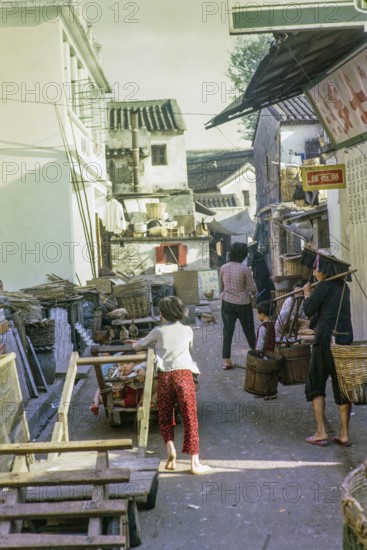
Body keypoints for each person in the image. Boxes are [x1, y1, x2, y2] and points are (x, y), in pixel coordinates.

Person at [128, 296, 210, 475]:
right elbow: (189, 352)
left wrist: (134, 343)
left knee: (165, 416)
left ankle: (170, 450)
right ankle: (194, 463)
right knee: (190, 418)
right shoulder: (188, 330)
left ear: (162, 314)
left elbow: (138, 346)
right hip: (184, 375)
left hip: (165, 377)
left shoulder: (158, 331)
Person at [302, 256, 353, 447]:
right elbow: (327, 312)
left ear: (324, 270)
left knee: (316, 383)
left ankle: (321, 432)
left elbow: (309, 309)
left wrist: (307, 293)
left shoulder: (323, 286)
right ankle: (344, 434)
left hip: (324, 342)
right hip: (343, 342)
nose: (315, 273)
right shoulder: (343, 287)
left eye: (316, 269)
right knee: (342, 388)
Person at [219, 242, 257, 370]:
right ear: (243, 254)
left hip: (227, 302)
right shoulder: (244, 269)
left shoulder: (223, 268)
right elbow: (253, 289)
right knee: (249, 330)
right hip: (243, 303)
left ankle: (227, 361)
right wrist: (252, 295)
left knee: (227, 331)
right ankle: (257, 356)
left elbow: (221, 287)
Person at [254, 301, 277, 400]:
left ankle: (268, 393)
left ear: (262, 314)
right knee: (271, 374)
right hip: (272, 353)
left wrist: (257, 354)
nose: (257, 316)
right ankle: (268, 392)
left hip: (264, 354)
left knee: (263, 374)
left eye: (258, 314)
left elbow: (260, 343)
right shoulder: (273, 325)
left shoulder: (262, 327)